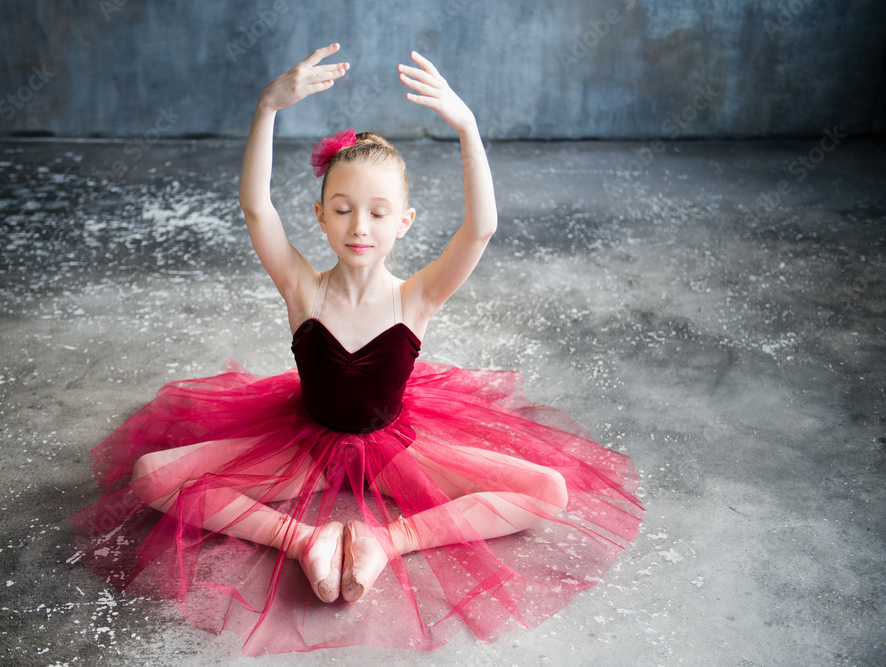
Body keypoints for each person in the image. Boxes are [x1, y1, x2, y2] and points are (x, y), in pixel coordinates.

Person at [72, 44, 643, 655]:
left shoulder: (416, 298)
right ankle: (300, 538)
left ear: (404, 221)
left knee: (548, 491)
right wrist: (268, 106)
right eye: (342, 210)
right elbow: (255, 206)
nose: (359, 227)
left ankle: (389, 540)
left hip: (394, 448)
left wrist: (467, 127)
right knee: (152, 476)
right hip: (299, 442)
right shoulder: (302, 288)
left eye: (377, 213)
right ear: (320, 216)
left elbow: (481, 228)